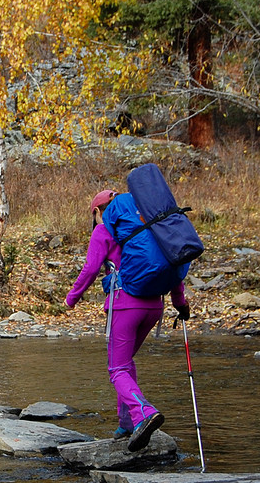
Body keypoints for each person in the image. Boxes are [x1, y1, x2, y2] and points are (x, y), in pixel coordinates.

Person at [64, 189, 190, 451]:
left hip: (124, 305)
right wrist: (181, 303)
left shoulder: (104, 230)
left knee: (117, 369)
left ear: (98, 212)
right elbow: (173, 265)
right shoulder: (149, 226)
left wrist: (72, 298)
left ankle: (143, 412)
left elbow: (90, 268)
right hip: (154, 305)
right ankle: (127, 422)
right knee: (124, 361)